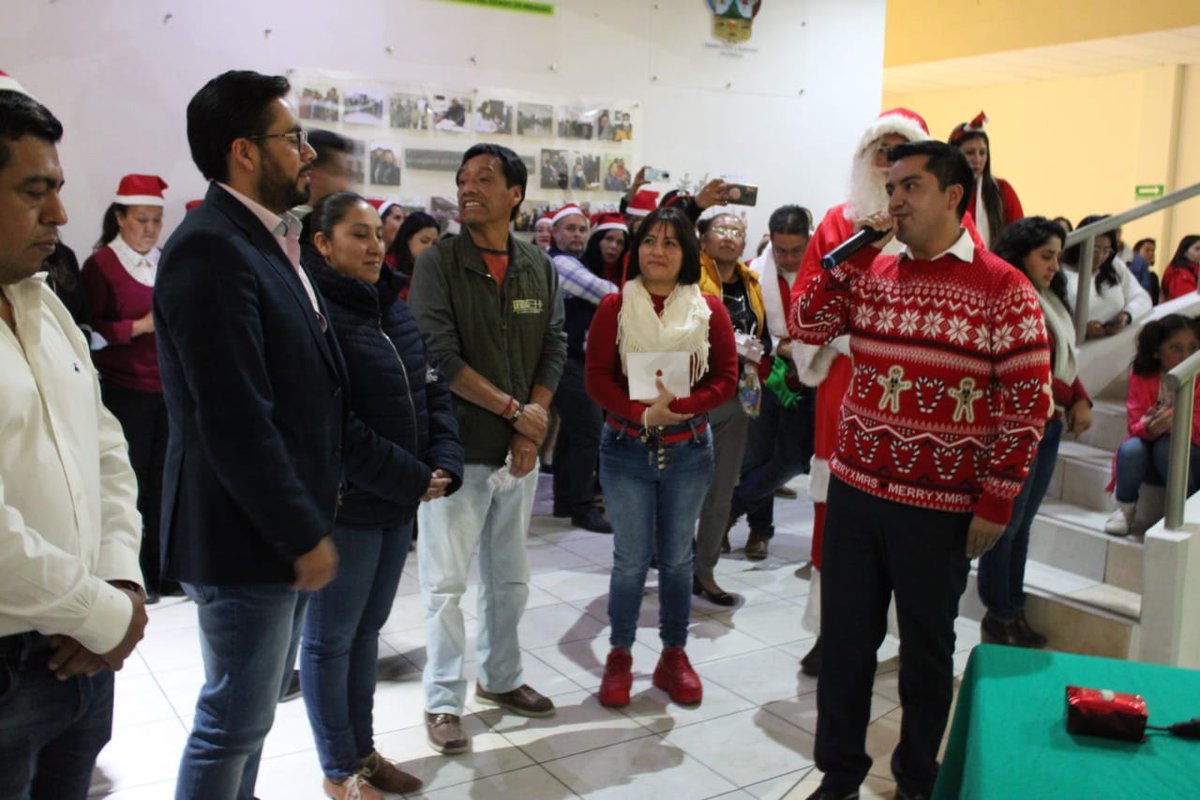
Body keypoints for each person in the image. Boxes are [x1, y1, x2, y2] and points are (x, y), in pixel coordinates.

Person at [791, 141, 1051, 800]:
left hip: (939, 509)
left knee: (928, 655)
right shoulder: (873, 269)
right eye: (892, 187)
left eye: (910, 187)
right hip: (854, 493)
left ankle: (915, 780)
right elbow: (807, 322)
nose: (895, 200)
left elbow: (1026, 405)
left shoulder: (1003, 288)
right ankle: (839, 775)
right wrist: (848, 253)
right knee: (847, 646)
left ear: (954, 197)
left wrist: (998, 501)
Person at [157, 70, 348, 799]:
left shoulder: (265, 240)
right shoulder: (211, 248)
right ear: (244, 151)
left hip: (274, 523)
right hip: (245, 533)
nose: (305, 152)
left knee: (253, 717)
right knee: (232, 720)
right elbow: (233, 415)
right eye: (292, 137)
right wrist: (301, 531)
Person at [1, 76, 148, 800]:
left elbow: (105, 448)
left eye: (57, 187)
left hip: (81, 655)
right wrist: (104, 613)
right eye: (35, 190)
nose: (60, 212)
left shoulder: (42, 300)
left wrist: (120, 573)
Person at [300, 191, 463, 799]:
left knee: (366, 634)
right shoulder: (315, 313)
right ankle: (338, 768)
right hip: (351, 504)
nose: (374, 247)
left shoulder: (391, 306)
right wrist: (410, 476)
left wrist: (443, 459)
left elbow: (432, 390)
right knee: (329, 639)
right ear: (322, 244)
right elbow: (334, 426)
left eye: (376, 234)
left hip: (399, 501)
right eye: (357, 235)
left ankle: (361, 753)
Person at [407, 143, 566, 755]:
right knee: (445, 583)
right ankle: (443, 699)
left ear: (515, 194)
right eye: (463, 179)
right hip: (457, 448)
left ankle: (501, 679)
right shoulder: (439, 263)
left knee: (510, 579)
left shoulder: (536, 265)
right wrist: (513, 413)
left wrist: (533, 425)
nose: (469, 187)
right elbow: (439, 355)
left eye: (484, 178)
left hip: (517, 453)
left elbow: (554, 344)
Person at [791, 107, 932, 677]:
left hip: (917, 387)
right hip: (847, 385)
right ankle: (834, 633)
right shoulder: (836, 222)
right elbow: (808, 297)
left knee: (910, 514)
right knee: (838, 514)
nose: (887, 160)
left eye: (900, 150)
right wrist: (848, 336)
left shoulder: (944, 229)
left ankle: (906, 631)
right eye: (880, 149)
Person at [585, 206, 738, 707]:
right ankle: (620, 655)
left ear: (687, 254)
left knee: (676, 560)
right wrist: (643, 414)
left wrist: (682, 407)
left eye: (671, 243)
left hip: (689, 449)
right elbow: (597, 379)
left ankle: (674, 655)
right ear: (637, 248)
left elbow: (726, 379)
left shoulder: (709, 310)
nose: (658, 251)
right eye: (650, 240)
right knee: (629, 562)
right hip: (626, 448)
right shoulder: (614, 307)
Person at [977, 217, 1091, 647]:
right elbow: (1033, 368)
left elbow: (1065, 359)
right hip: (1018, 425)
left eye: (1058, 257)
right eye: (1046, 255)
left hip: (1050, 423)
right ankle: (998, 614)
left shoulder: (1048, 299)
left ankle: (1013, 608)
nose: (1054, 265)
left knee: (1022, 526)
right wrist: (1074, 398)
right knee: (1005, 526)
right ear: (1021, 253)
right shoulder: (1011, 296)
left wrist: (1081, 397)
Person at [80, 174, 175, 603]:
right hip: (126, 389)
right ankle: (132, 574)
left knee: (162, 482)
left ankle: (161, 567)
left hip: (166, 389)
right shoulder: (100, 266)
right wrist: (138, 326)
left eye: (156, 219)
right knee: (129, 484)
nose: (150, 228)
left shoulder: (164, 260)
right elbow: (89, 331)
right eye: (141, 219)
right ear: (120, 218)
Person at [727, 204, 816, 560]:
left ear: (810, 241)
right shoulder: (753, 275)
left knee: (794, 458)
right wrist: (780, 346)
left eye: (797, 250)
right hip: (762, 374)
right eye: (781, 250)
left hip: (810, 377)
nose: (789, 258)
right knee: (756, 457)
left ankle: (727, 511)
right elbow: (744, 327)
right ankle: (759, 531)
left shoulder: (825, 273)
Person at [693, 209, 771, 605]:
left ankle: (703, 571)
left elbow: (763, 333)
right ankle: (667, 559)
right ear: (702, 238)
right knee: (677, 486)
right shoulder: (690, 274)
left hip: (737, 395)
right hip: (692, 392)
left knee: (722, 489)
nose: (729, 236)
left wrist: (757, 350)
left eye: (737, 231)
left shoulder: (750, 282)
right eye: (720, 230)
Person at [551, 210, 628, 533]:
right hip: (567, 360)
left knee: (572, 434)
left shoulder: (574, 263)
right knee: (589, 433)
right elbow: (606, 294)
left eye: (582, 229)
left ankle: (565, 500)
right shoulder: (560, 263)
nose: (577, 235)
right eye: (570, 229)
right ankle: (582, 507)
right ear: (555, 232)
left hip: (573, 360)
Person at [1104, 315, 1200, 536]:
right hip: (1150, 449)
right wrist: (1149, 426)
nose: (1186, 356)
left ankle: (1183, 510)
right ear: (1157, 351)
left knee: (1166, 447)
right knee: (1130, 449)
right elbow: (1134, 424)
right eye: (1175, 348)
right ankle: (1124, 508)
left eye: (1193, 347)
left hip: (1188, 454)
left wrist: (1176, 422)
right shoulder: (1143, 374)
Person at [1060, 215, 1152, 339]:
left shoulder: (1114, 266)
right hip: (1080, 348)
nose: (1100, 257)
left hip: (1114, 346)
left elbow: (1142, 297)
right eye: (1095, 249)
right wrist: (1080, 329)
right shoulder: (1060, 272)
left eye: (1106, 250)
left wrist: (1127, 315)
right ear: (1080, 245)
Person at [948, 111, 1023, 247]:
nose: (977, 159)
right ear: (954, 155)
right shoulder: (943, 192)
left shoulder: (1002, 190)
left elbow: (1020, 239)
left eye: (982, 153)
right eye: (970, 153)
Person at [385, 210, 439, 301]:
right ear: (407, 238)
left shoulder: (432, 270)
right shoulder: (387, 267)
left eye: (434, 243)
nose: (430, 248)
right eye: (424, 241)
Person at [1161, 235, 1200, 302]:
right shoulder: (1178, 272)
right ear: (1185, 252)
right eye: (1197, 249)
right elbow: (1187, 299)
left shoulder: (1195, 269)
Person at [1128, 237, 1161, 303]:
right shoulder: (1129, 272)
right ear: (1137, 252)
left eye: (1153, 251)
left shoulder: (1153, 277)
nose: (1151, 253)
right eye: (1147, 250)